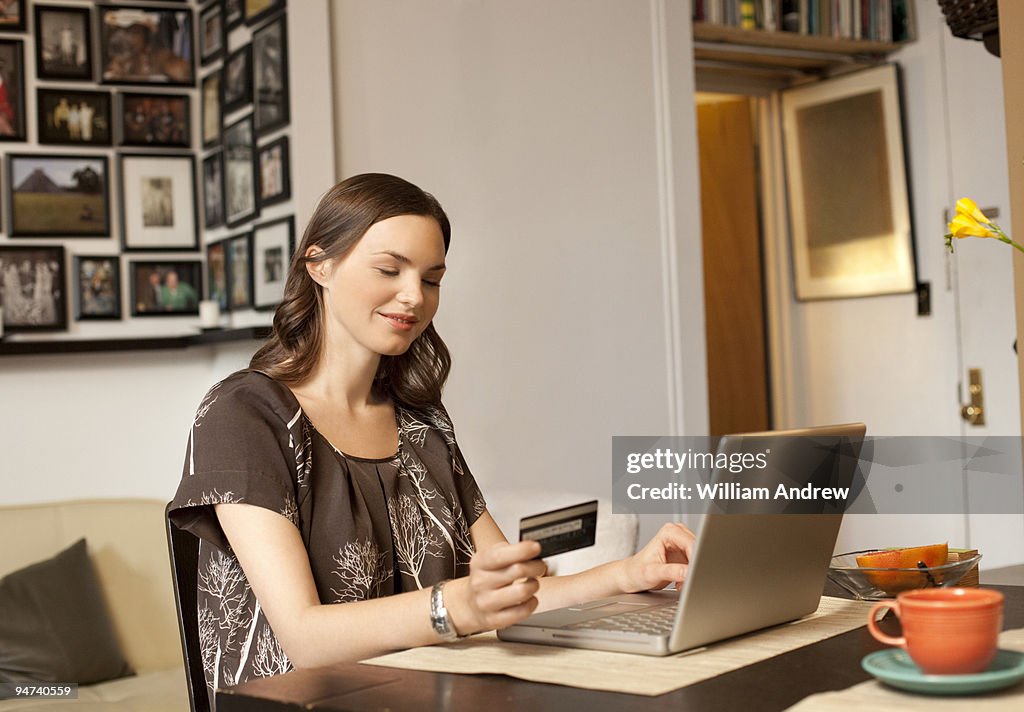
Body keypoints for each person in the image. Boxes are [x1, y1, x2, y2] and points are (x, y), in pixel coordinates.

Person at [168, 174, 694, 707]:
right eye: (389, 270)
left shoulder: (421, 422)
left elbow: (507, 595)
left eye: (432, 278)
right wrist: (459, 607)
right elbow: (305, 638)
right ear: (319, 264)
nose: (414, 297)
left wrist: (630, 573)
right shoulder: (243, 415)